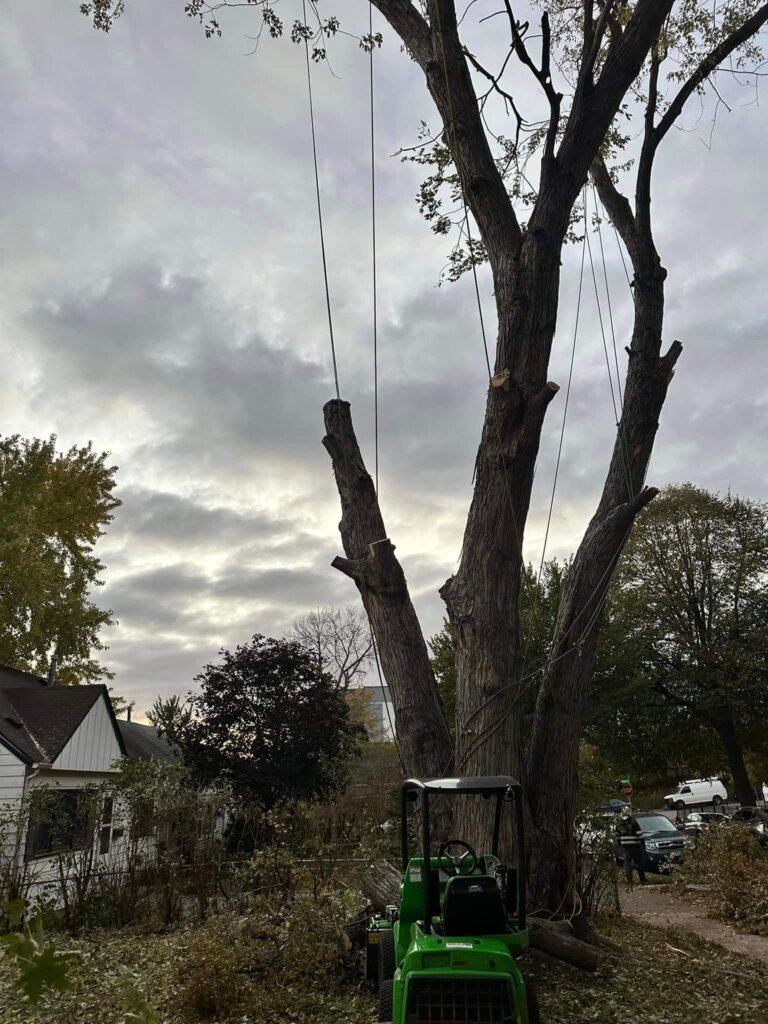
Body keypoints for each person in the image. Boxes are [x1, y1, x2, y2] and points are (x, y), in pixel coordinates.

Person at [615, 806, 646, 884]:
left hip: (625, 847)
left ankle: (629, 880)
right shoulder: (633, 821)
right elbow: (639, 834)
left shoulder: (619, 822)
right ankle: (642, 879)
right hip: (635, 846)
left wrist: (620, 844)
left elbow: (617, 835)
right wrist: (643, 843)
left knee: (627, 863)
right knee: (639, 863)